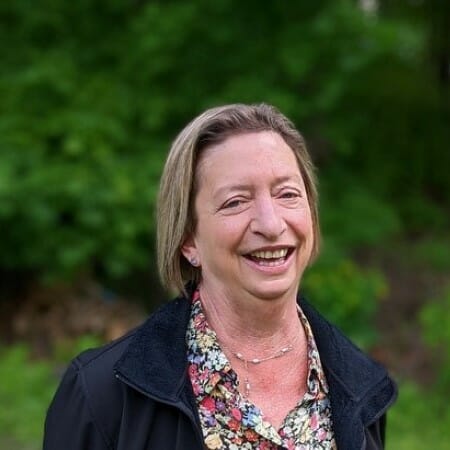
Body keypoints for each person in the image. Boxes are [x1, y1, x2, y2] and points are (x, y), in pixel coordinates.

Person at [44, 103, 397, 450]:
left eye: (287, 194)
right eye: (236, 202)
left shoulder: (359, 387)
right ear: (188, 239)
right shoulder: (102, 396)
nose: (271, 225)